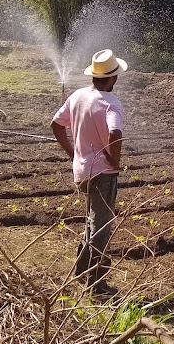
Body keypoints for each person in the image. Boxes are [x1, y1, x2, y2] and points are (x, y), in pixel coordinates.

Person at [51, 49, 127, 295]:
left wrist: (72, 152)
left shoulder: (77, 96)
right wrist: (114, 160)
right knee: (101, 226)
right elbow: (115, 133)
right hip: (102, 174)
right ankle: (97, 284)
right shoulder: (110, 104)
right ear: (113, 77)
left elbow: (56, 124)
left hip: (81, 172)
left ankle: (82, 269)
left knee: (92, 221)